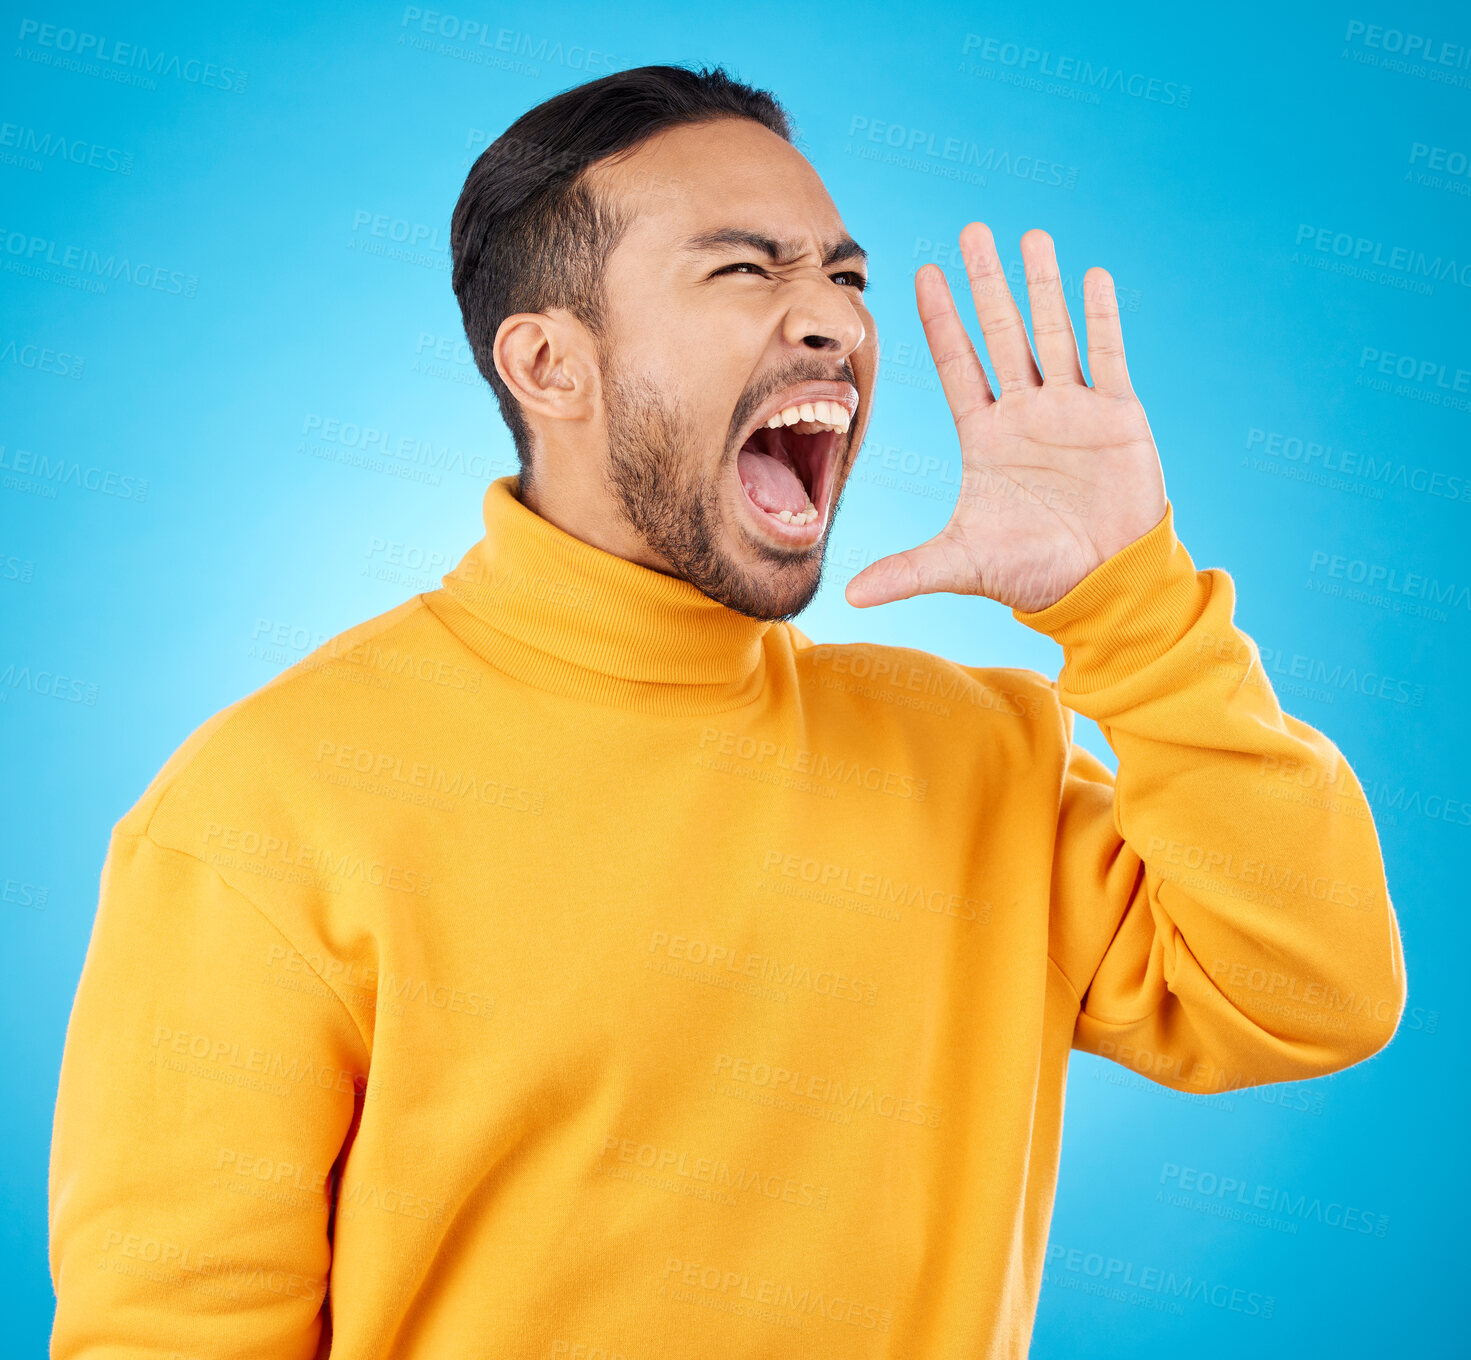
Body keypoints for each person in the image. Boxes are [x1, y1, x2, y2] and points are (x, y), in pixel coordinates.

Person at [48, 63, 1406, 1359]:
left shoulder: (972, 757)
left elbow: (1306, 995)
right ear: (549, 366)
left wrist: (1132, 604)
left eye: (843, 273)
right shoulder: (271, 805)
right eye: (746, 268)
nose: (830, 318)